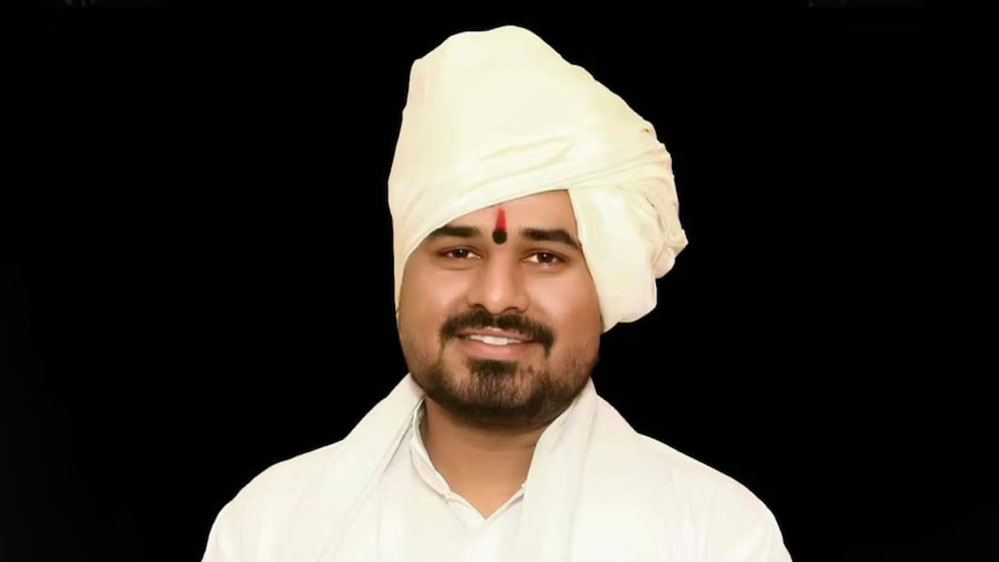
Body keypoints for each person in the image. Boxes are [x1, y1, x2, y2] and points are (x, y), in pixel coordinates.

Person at [201, 25, 792, 562]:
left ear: (604, 285)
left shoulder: (717, 536)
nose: (498, 296)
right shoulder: (269, 530)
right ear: (403, 280)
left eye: (545, 257)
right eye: (459, 253)